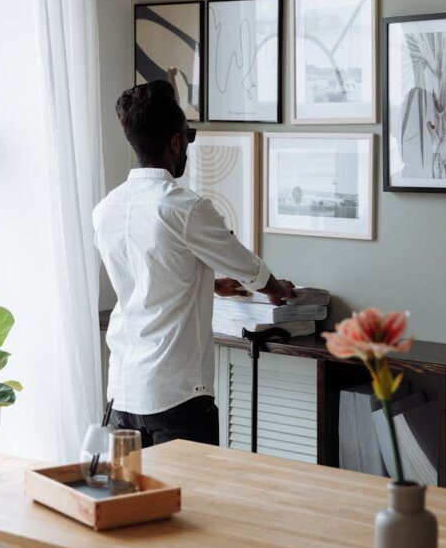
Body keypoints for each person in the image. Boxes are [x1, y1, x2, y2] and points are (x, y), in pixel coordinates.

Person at [93, 80, 295, 447]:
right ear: (175, 142)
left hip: (122, 392)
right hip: (177, 396)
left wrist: (210, 282)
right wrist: (276, 290)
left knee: (133, 503)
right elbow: (246, 265)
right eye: (188, 135)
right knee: (191, 502)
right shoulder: (185, 207)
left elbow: (150, 271)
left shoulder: (106, 209)